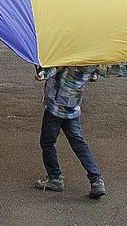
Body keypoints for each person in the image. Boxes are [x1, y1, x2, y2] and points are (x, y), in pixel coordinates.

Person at [34, 65, 106, 199]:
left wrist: (42, 73)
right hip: (72, 107)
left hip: (55, 107)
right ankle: (96, 180)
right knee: (79, 144)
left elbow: (56, 66)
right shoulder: (92, 59)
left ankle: (55, 178)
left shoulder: (69, 54)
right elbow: (108, 68)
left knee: (47, 143)